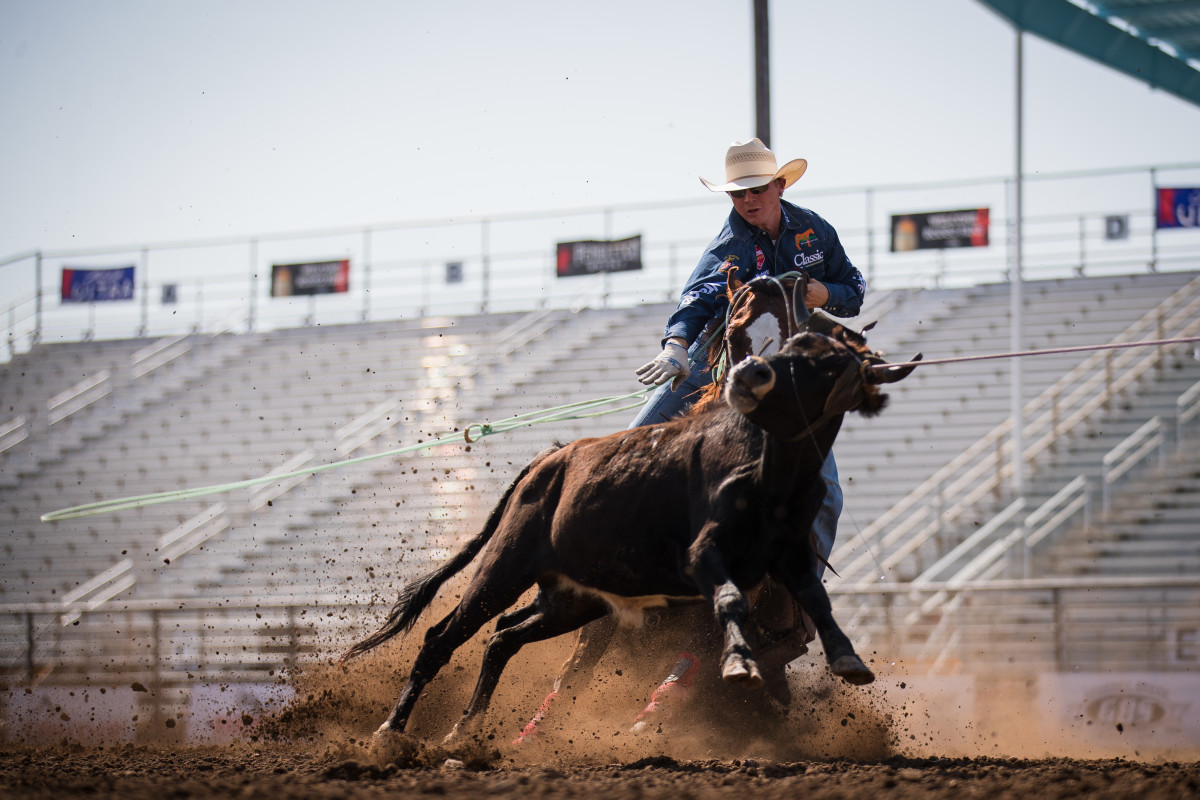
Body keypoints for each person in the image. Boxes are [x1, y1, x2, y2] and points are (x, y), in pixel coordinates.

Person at [628, 137, 866, 728]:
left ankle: (792, 590)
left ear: (780, 188)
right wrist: (677, 345)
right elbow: (698, 297)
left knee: (826, 490)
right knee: (637, 437)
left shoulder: (815, 234)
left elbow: (854, 292)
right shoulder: (728, 245)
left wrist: (822, 295)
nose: (748, 200)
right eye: (738, 193)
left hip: (791, 374)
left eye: (756, 190)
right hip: (722, 359)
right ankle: (622, 550)